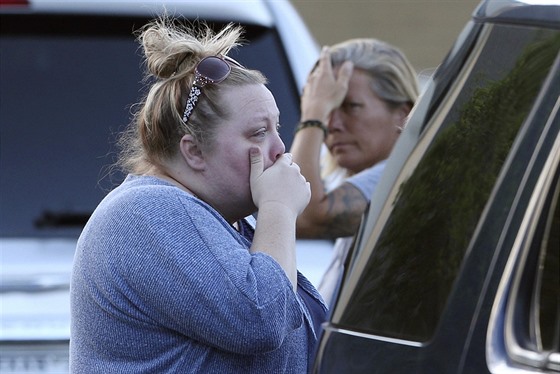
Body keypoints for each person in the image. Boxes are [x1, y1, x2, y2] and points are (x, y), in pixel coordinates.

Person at [70, 18, 327, 373]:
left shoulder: (228, 223)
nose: (280, 149)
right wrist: (279, 207)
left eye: (276, 128)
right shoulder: (145, 212)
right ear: (193, 152)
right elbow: (261, 316)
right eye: (257, 133)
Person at [291, 40, 420, 305]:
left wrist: (312, 116)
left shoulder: (399, 176)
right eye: (328, 109)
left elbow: (299, 216)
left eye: (350, 106)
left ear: (402, 114)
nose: (332, 124)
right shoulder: (364, 184)